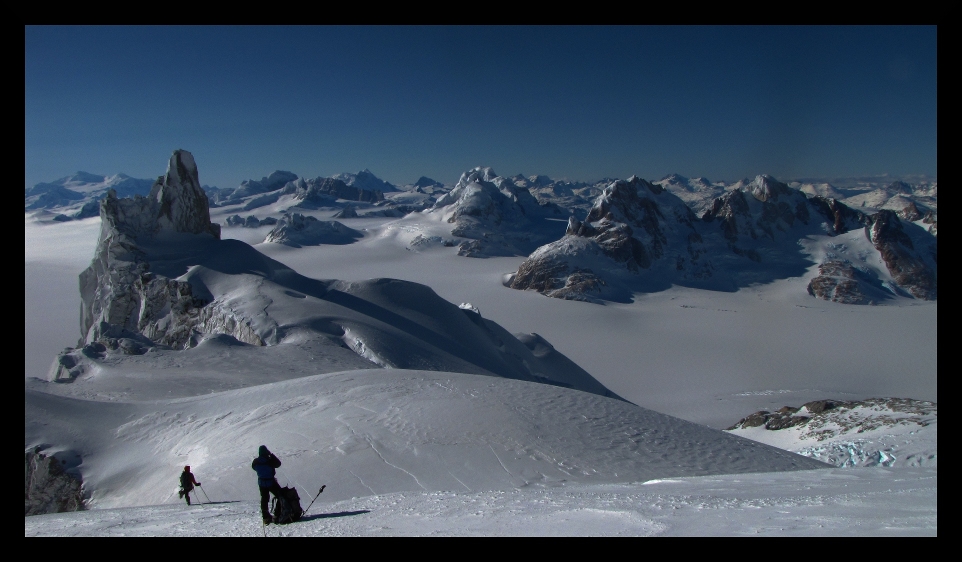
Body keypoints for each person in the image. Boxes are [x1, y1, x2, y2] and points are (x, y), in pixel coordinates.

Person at [251, 445, 283, 524]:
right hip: (271, 482)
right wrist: (271, 454)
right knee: (280, 496)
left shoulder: (256, 462)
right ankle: (277, 514)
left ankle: (265, 517)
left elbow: (253, 467)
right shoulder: (269, 460)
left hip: (261, 483)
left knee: (264, 499)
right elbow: (278, 464)